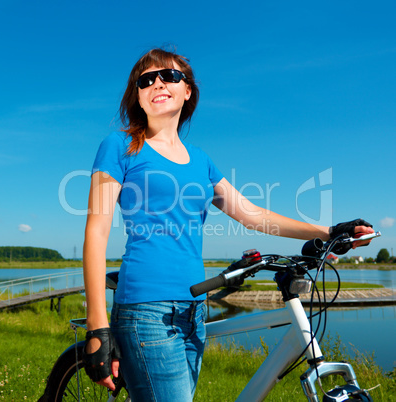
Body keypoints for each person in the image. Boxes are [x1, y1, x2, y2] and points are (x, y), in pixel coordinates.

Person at [82, 47, 374, 401]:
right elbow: (96, 233)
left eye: (169, 75)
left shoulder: (201, 161)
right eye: (146, 80)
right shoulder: (120, 145)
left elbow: (253, 215)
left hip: (194, 309)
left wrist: (328, 232)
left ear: (187, 90)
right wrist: (97, 325)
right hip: (147, 311)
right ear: (138, 96)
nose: (158, 82)